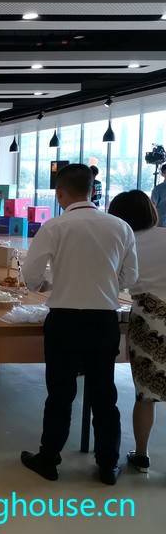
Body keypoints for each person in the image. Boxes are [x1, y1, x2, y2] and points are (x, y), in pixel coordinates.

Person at [21, 164, 138, 485]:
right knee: (104, 394)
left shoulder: (55, 226)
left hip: (65, 319)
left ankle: (49, 460)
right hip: (104, 319)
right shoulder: (120, 227)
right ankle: (108, 465)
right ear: (92, 190)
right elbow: (130, 276)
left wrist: (48, 285)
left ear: (60, 193)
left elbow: (31, 275)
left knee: (60, 393)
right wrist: (105, 283)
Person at [108, 190, 166, 474]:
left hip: (148, 318)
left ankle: (141, 456)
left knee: (146, 393)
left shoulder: (125, 242)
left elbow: (116, 282)